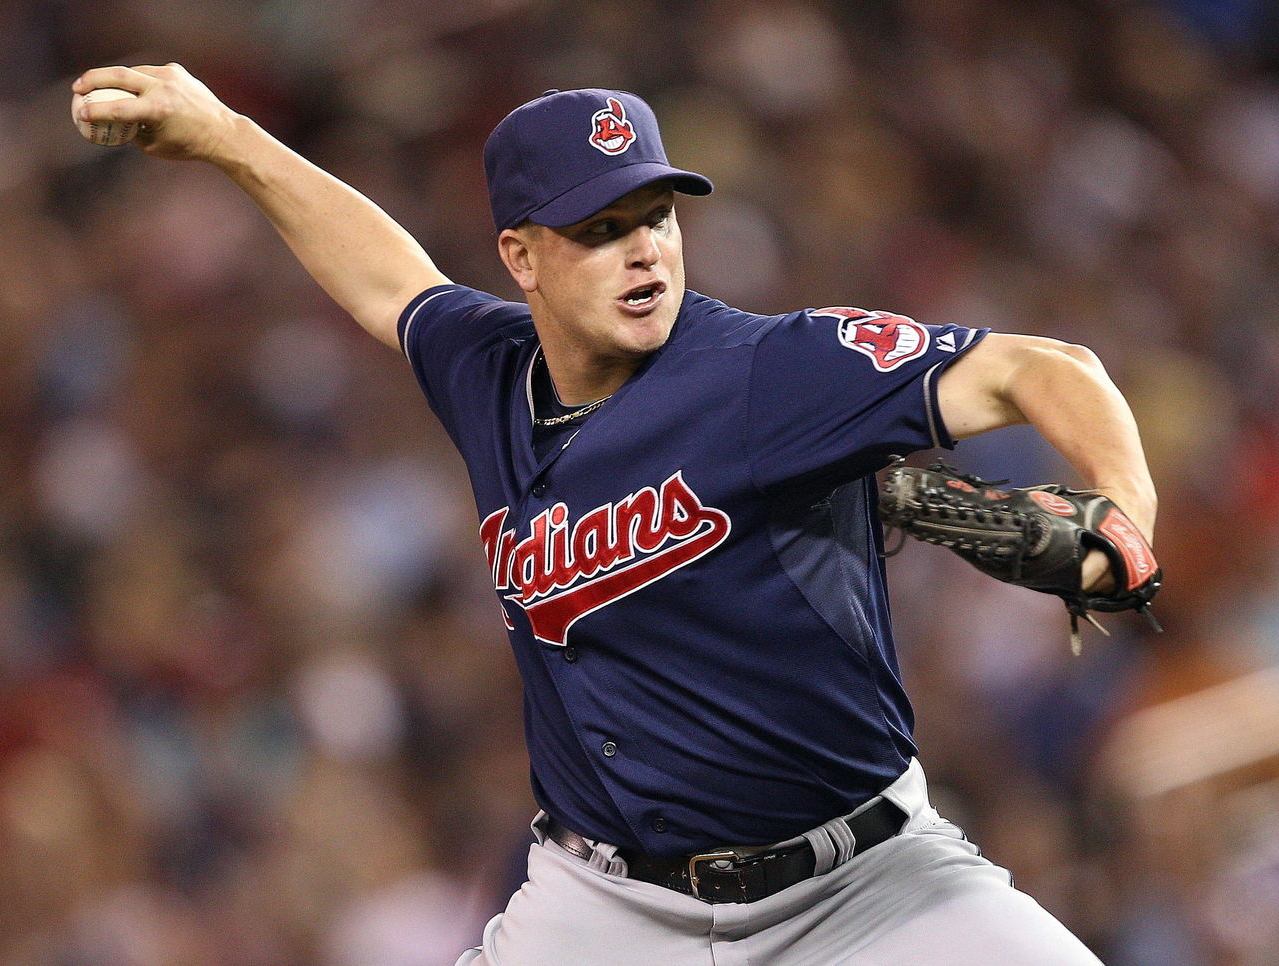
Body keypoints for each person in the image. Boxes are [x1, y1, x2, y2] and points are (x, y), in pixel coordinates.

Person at [72, 63, 1157, 965]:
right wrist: (224, 136)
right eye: (599, 228)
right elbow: (384, 281)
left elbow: (1039, 368)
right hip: (606, 910)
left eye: (656, 215)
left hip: (865, 891)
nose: (644, 250)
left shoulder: (767, 371)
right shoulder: (487, 373)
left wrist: (1124, 512)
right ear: (520, 257)